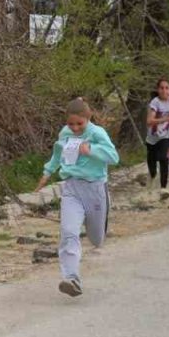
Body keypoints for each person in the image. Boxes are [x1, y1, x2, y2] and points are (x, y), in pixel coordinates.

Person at [33, 98, 120, 297]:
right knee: (68, 231)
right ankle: (72, 278)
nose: (74, 128)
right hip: (72, 187)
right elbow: (57, 153)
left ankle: (102, 222)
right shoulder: (65, 133)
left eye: (79, 124)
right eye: (71, 124)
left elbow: (113, 157)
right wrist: (47, 172)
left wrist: (91, 150)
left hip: (95, 188)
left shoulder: (97, 133)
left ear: (88, 118)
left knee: (96, 238)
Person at [145, 78, 169, 190]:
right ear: (158, 90)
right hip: (153, 137)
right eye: (161, 88)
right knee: (152, 163)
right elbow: (149, 121)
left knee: (164, 158)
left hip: (166, 135)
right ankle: (152, 176)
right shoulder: (155, 102)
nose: (164, 90)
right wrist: (168, 118)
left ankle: (164, 188)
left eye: (166, 88)